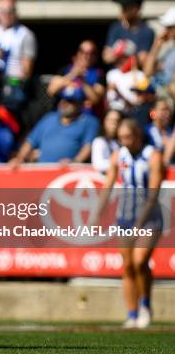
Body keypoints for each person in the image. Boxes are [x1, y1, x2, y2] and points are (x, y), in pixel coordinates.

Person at [94, 119, 163, 329]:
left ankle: (145, 305)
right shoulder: (119, 155)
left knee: (140, 260)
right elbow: (108, 185)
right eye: (121, 138)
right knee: (127, 265)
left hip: (149, 217)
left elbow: (152, 193)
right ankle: (131, 313)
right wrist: (96, 213)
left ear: (137, 136)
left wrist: (138, 224)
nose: (124, 142)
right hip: (125, 216)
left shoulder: (153, 156)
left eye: (128, 137)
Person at [10, 86, 99, 165]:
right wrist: (19, 159)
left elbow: (87, 148)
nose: (65, 104)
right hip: (42, 172)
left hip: (68, 174)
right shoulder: (49, 118)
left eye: (70, 101)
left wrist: (74, 162)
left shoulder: (89, 121)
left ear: (80, 104)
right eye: (63, 100)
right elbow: (30, 142)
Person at [48, 40, 106, 116]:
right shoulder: (65, 70)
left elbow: (95, 100)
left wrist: (82, 80)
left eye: (92, 53)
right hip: (61, 114)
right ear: (78, 53)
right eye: (83, 52)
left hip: (84, 116)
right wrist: (73, 74)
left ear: (96, 56)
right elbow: (51, 90)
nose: (87, 56)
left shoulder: (99, 74)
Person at [103, 0, 155, 69]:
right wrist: (119, 51)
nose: (122, 12)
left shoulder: (147, 31)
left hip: (135, 76)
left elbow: (142, 60)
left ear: (135, 9)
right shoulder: (115, 28)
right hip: (115, 76)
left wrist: (128, 51)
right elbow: (107, 58)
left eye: (125, 9)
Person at [143, 7, 175, 88]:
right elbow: (147, 73)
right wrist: (156, 46)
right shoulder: (169, 52)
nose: (165, 31)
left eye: (169, 27)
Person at [91, 109, 122, 173]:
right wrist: (117, 163)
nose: (114, 124)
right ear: (105, 121)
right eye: (111, 120)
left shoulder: (119, 143)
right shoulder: (99, 142)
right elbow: (98, 165)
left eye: (117, 121)